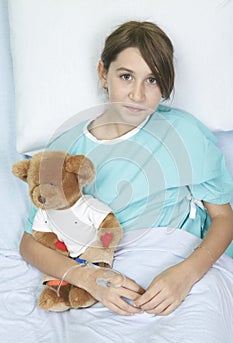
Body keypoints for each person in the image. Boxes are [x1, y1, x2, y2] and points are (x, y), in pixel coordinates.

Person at [20, 21, 233, 316]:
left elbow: (223, 217)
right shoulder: (65, 149)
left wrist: (187, 273)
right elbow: (31, 243)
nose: (137, 94)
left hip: (180, 268)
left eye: (153, 80)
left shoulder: (185, 134)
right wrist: (86, 279)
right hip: (98, 277)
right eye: (126, 76)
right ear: (103, 73)